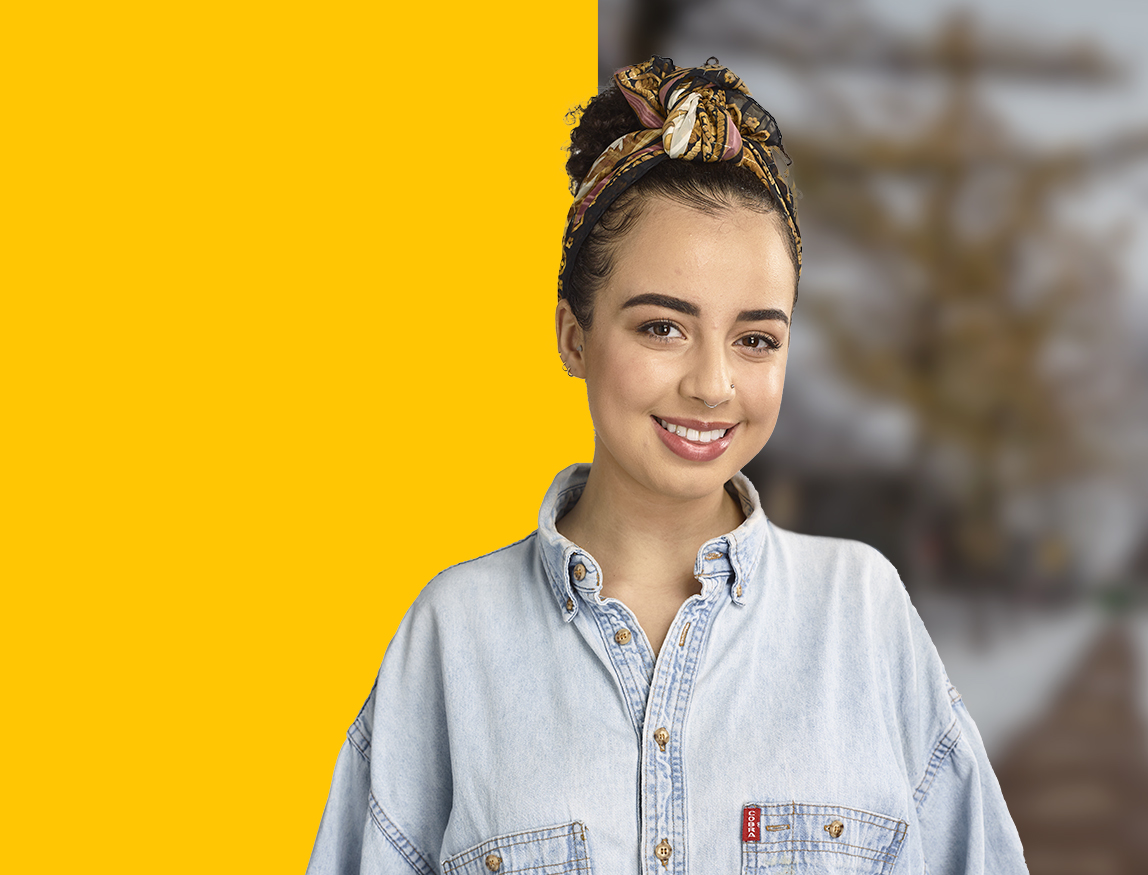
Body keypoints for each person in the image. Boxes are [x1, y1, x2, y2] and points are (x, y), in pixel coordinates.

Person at [307, 57, 1027, 875]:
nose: (712, 385)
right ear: (574, 336)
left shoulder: (861, 614)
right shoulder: (451, 637)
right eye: (661, 327)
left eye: (756, 339)